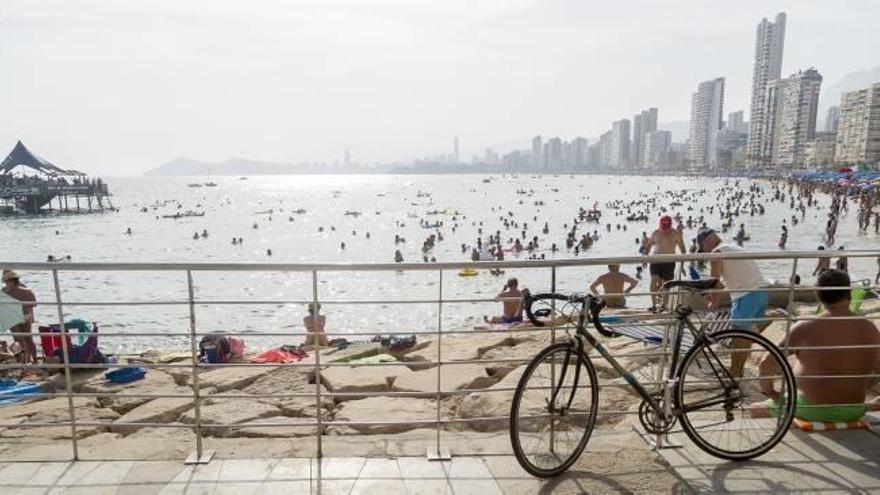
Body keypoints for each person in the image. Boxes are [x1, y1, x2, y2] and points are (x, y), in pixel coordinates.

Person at [752, 269, 880, 422]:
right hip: (853, 409)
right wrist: (862, 389)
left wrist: (770, 392)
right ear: (849, 293)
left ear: (817, 294)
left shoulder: (805, 327)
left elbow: (767, 362)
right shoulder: (870, 328)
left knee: (754, 409)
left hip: (810, 409)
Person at [696, 227, 770, 377]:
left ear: (707, 241)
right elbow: (727, 283)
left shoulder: (716, 253)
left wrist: (712, 301)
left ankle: (734, 372)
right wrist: (714, 295)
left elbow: (714, 282)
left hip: (746, 296)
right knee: (746, 336)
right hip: (761, 291)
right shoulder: (732, 247)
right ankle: (738, 371)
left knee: (738, 339)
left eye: (702, 248)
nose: (704, 252)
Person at [643, 215, 686, 311]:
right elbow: (648, 246)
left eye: (667, 228)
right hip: (656, 260)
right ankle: (654, 305)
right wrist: (645, 259)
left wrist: (682, 265)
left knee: (666, 284)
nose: (665, 230)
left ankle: (663, 305)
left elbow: (683, 249)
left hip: (669, 261)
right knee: (654, 280)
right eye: (663, 228)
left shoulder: (676, 233)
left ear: (670, 225)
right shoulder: (656, 233)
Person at [1, 270, 37, 364]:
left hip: (14, 316)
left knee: (20, 340)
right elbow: (32, 304)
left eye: (6, 281)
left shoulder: (5, 291)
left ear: (11, 280)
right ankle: (33, 359)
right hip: (24, 316)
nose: (5, 283)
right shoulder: (26, 289)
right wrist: (32, 316)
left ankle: (27, 360)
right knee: (28, 339)